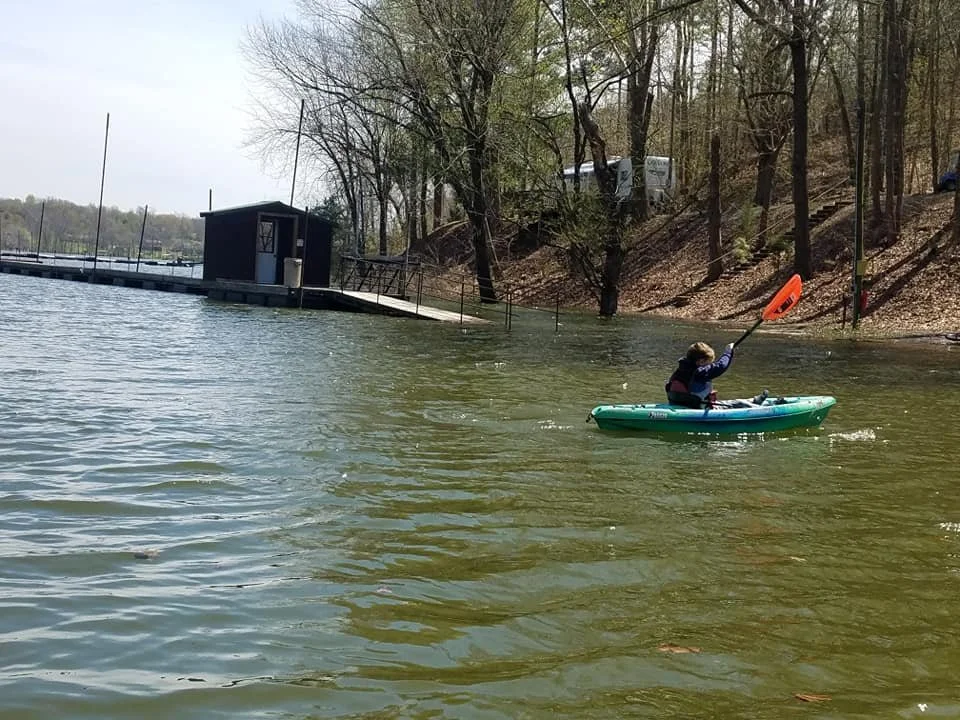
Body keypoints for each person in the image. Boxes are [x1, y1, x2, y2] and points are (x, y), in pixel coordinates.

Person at [665, 341, 735, 408]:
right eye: (708, 363)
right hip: (695, 405)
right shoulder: (701, 371)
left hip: (678, 402)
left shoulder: (682, 368)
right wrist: (728, 353)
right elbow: (721, 366)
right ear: (701, 361)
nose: (709, 365)